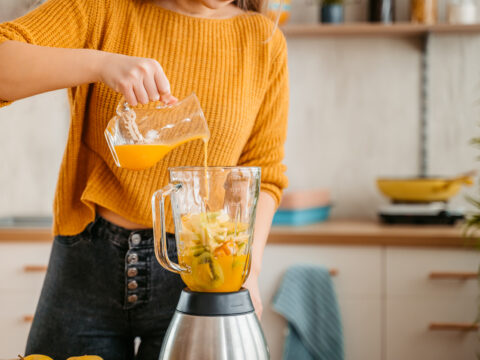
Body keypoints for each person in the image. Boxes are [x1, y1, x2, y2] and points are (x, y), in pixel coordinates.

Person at [0, 0, 289, 358]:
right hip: (86, 264)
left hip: (199, 271)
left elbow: (265, 170)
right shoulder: (104, 8)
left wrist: (250, 271)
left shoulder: (263, 41)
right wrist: (102, 63)